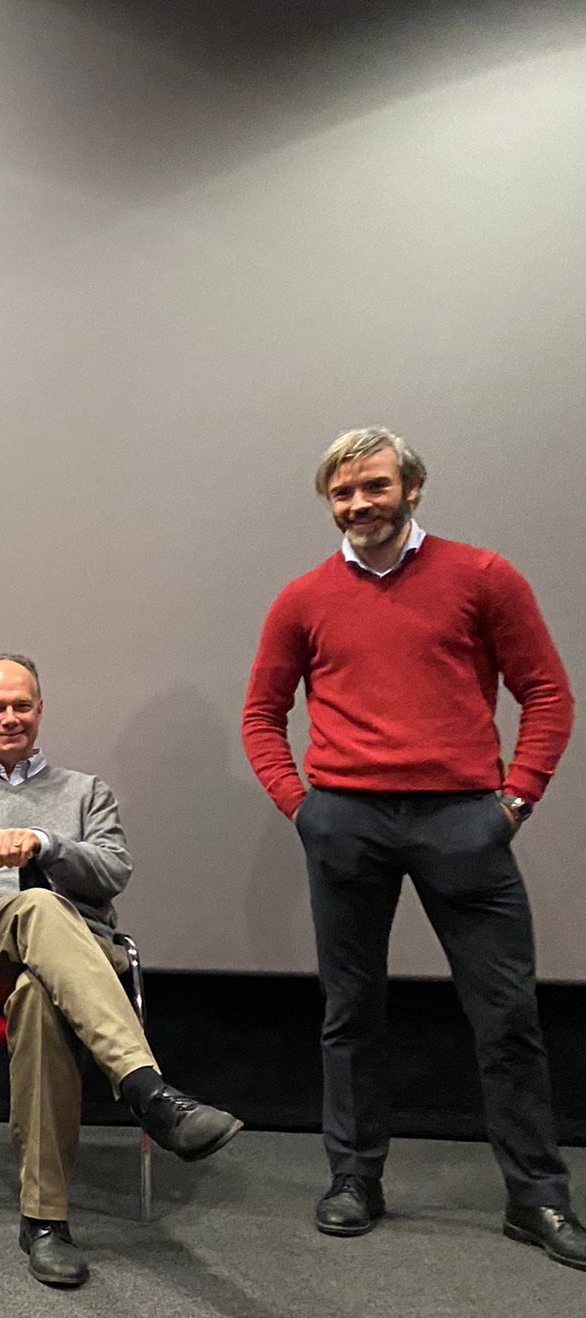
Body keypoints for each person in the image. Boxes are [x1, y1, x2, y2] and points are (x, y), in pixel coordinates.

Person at [242, 427, 581, 1268]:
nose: (360, 505)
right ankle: (354, 1179)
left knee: (507, 1017)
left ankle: (536, 1197)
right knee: (351, 1015)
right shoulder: (303, 597)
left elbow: (546, 693)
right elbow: (262, 714)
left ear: (414, 488)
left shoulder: (483, 577)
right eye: (344, 493)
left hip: (463, 822)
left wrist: (514, 800)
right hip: (347, 822)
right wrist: (303, 808)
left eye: (376, 487)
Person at [0, 655, 243, 1289]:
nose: (10, 718)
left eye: (23, 706)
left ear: (41, 711)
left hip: (73, 960)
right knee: (36, 906)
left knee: (40, 992)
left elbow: (114, 871)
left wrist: (46, 844)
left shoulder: (86, 792)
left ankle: (45, 1222)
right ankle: (148, 1091)